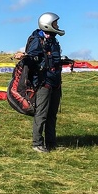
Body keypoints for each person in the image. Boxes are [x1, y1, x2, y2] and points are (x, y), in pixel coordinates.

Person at [24, 12, 65, 153]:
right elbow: (31, 57)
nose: (57, 26)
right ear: (47, 24)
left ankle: (51, 143)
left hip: (55, 82)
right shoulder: (37, 39)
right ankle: (37, 144)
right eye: (55, 24)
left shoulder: (52, 40)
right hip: (43, 83)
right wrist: (25, 57)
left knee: (52, 115)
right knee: (41, 114)